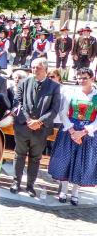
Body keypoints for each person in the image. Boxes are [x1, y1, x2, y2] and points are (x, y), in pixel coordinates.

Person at [11, 57, 61, 197]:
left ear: (45, 69)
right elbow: (17, 103)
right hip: (23, 127)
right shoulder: (24, 82)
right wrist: (28, 120)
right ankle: (16, 182)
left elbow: (54, 109)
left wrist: (39, 122)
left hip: (41, 130)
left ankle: (30, 186)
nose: (34, 70)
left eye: (37, 68)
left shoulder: (54, 87)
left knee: (35, 158)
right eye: (32, 67)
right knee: (19, 155)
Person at [49, 67, 97, 206]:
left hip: (88, 134)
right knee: (65, 160)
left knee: (81, 163)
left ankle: (75, 192)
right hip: (69, 131)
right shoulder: (71, 93)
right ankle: (63, 190)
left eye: (84, 78)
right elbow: (63, 113)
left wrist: (84, 132)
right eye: (79, 78)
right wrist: (71, 130)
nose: (81, 80)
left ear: (92, 78)